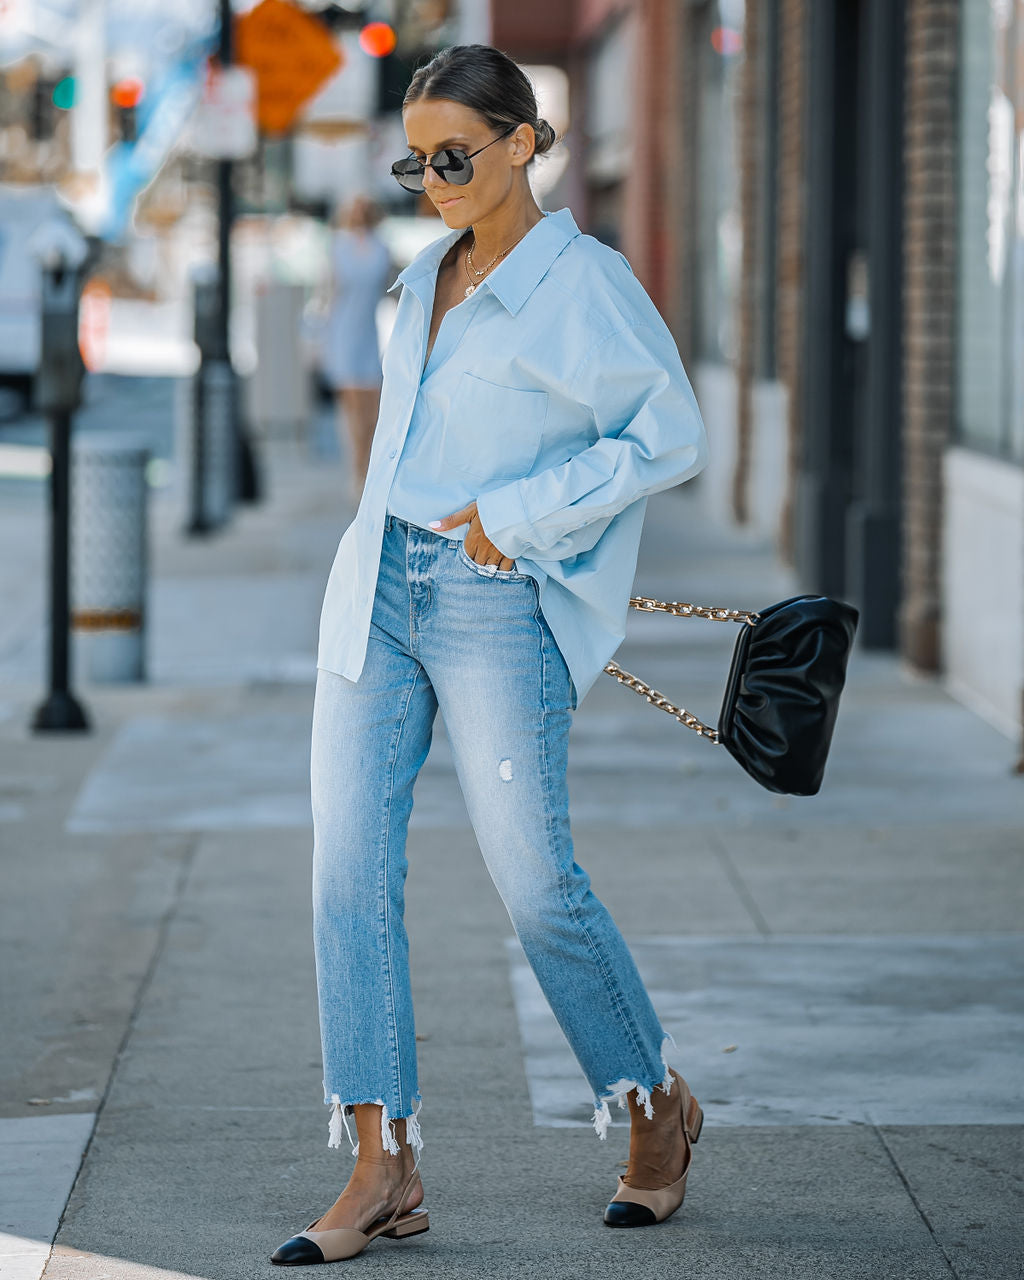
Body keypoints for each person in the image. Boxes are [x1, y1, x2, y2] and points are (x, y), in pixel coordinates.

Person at [271, 42, 709, 1267]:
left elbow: (666, 433)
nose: (434, 178)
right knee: (344, 872)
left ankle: (651, 1103)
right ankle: (380, 1159)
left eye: (453, 153)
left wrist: (516, 518)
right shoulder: (423, 277)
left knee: (534, 879)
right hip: (379, 595)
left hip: (488, 600)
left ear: (523, 140)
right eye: (416, 160)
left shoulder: (586, 284)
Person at [321, 194, 392, 502]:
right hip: (344, 332)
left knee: (373, 410)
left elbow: (391, 287)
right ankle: (357, 470)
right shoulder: (338, 246)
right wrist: (320, 337)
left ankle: (365, 466)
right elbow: (330, 292)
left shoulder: (382, 247)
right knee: (352, 408)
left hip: (371, 332)